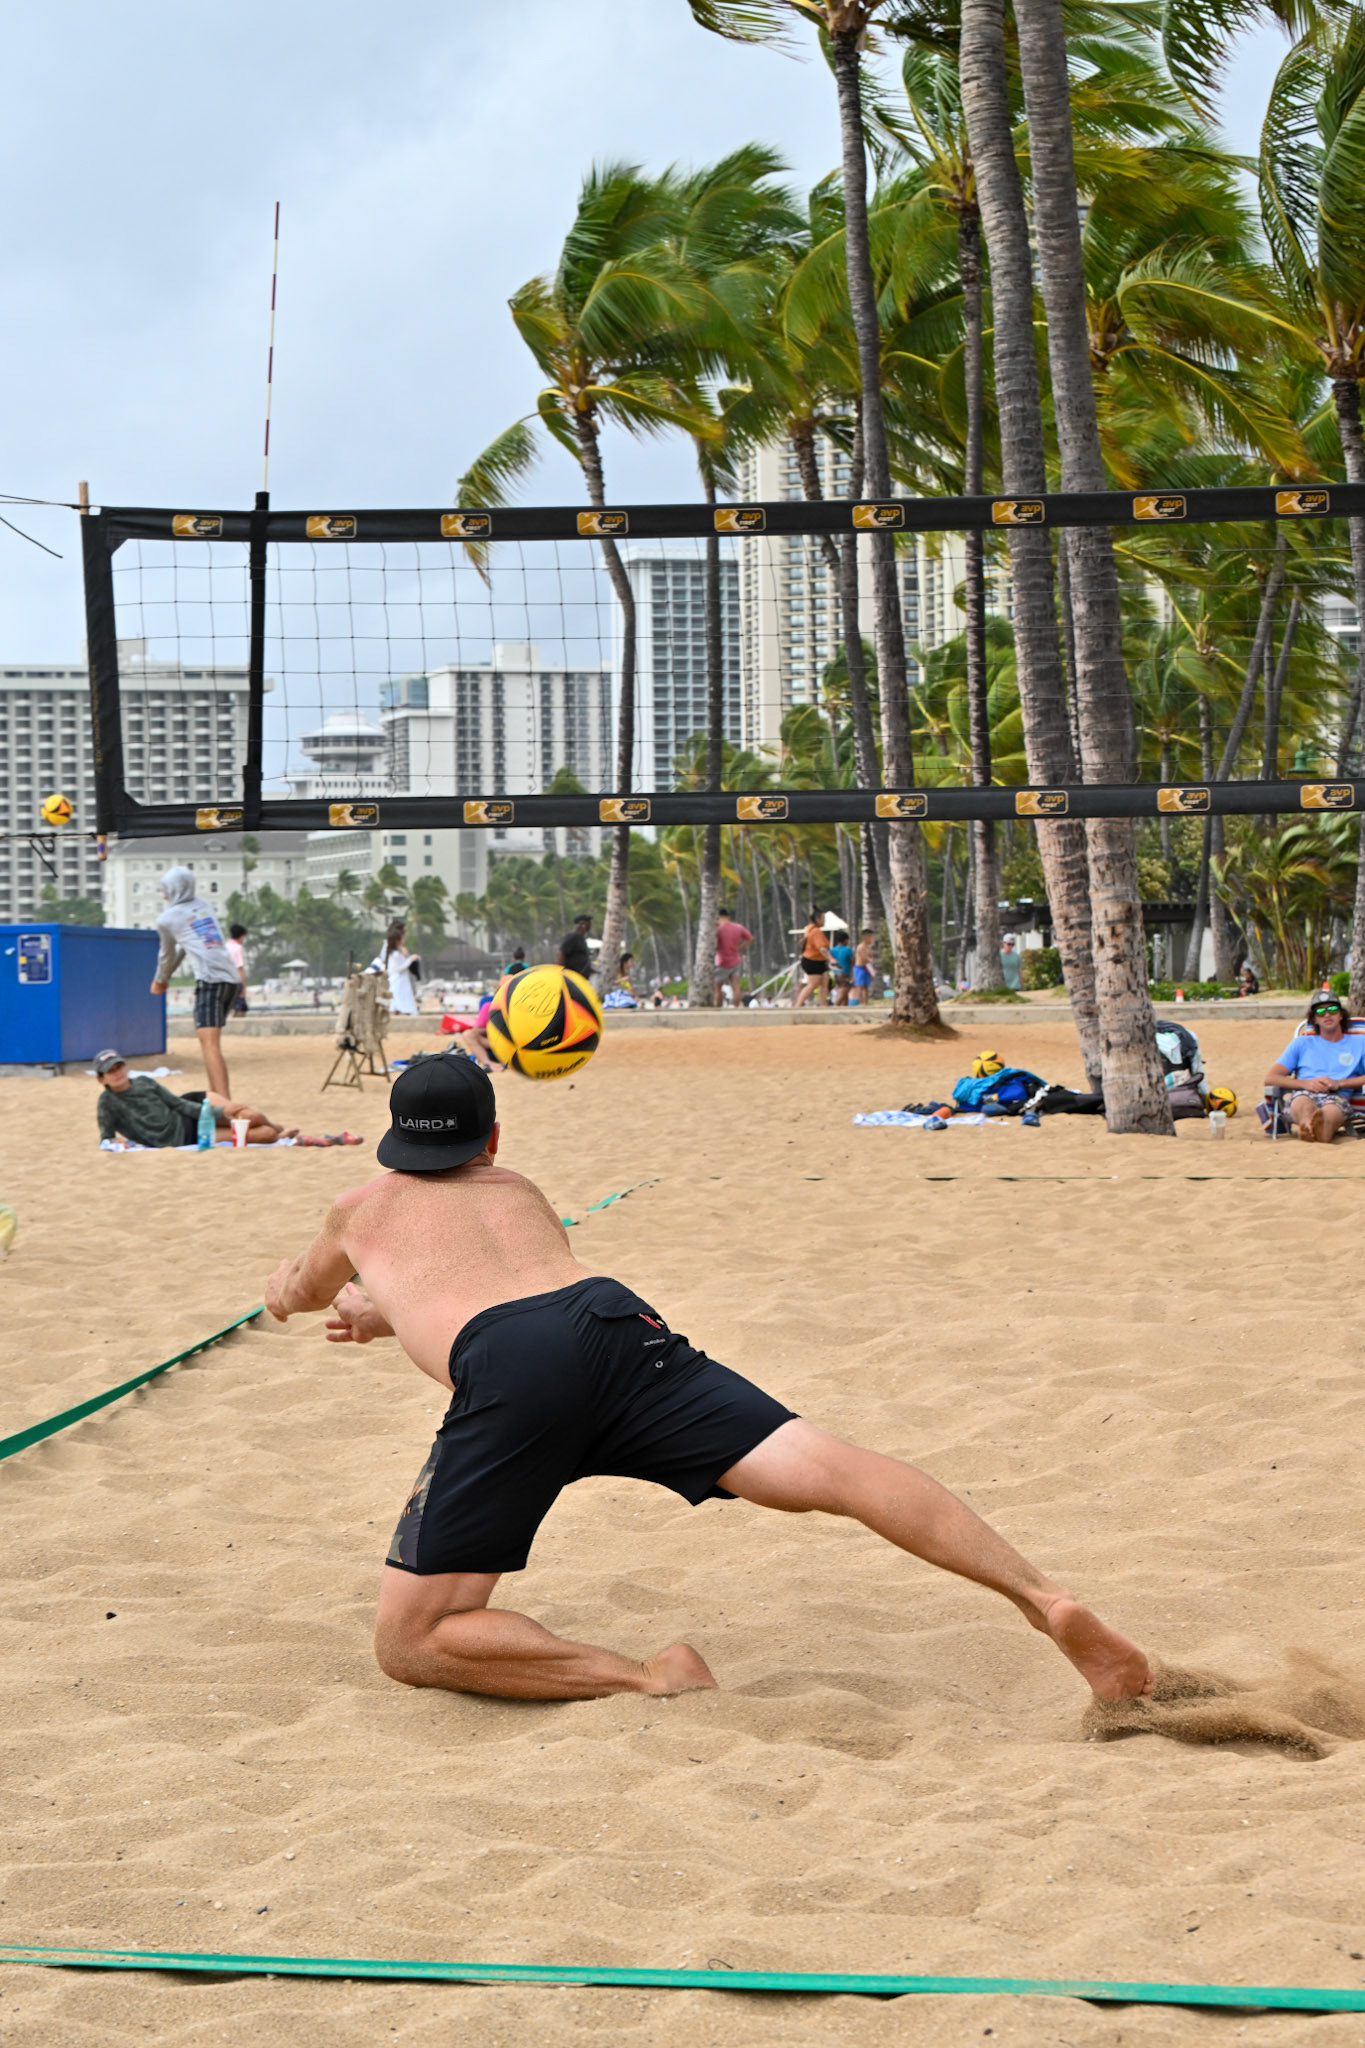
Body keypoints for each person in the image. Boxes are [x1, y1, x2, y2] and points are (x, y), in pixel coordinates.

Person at [263, 1055, 1151, 1707]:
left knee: (413, 1642)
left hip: (512, 1370)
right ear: (492, 1139)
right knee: (830, 1468)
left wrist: (291, 1298)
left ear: (389, 1145)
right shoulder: (517, 1188)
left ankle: (648, 1677)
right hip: (610, 1323)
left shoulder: (361, 1205)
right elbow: (482, 1277)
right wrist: (390, 1306)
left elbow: (308, 1290)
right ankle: (1043, 1598)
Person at [92, 1048, 361, 1148]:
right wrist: (118, 1141)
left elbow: (177, 1103)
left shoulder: (144, 1081)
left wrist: (218, 1113)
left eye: (119, 1066)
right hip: (184, 1136)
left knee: (248, 1115)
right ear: (102, 1079)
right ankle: (282, 1135)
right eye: (109, 1071)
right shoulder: (107, 1103)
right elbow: (106, 1137)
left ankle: (282, 1131)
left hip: (191, 1107)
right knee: (264, 1134)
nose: (117, 1073)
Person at [151, 866, 241, 1098]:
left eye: (165, 890)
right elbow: (184, 946)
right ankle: (217, 1098)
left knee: (210, 1047)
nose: (163, 895)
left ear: (173, 890)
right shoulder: (202, 906)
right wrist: (166, 977)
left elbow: (167, 955)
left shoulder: (166, 919)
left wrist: (160, 980)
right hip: (230, 980)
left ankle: (225, 1106)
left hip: (211, 981)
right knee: (209, 1045)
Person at [1263, 993, 1365, 1143]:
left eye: (1332, 1009)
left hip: (1338, 1095)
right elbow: (1271, 1078)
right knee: (1302, 1103)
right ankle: (1310, 1127)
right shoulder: (1301, 1043)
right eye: (1320, 1012)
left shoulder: (1360, 1042)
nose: (1327, 1014)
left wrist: (1339, 1083)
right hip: (1304, 1092)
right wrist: (1307, 1084)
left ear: (1341, 1015)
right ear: (1314, 1019)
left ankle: (1315, 1131)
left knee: (1330, 1112)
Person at [373, 920, 420, 1016]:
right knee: (398, 1002)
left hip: (398, 978)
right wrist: (410, 959)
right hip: (395, 978)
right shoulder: (392, 950)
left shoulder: (397, 950)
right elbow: (396, 966)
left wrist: (406, 955)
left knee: (397, 1003)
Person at [792, 907, 831, 1009]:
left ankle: (823, 1005)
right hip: (812, 961)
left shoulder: (809, 928)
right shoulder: (816, 931)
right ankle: (798, 1005)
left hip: (818, 961)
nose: (824, 921)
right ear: (818, 919)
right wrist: (832, 959)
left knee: (824, 981)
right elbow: (822, 948)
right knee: (812, 984)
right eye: (823, 918)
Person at [714, 909, 753, 1008]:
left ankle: (718, 1009)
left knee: (717, 988)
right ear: (728, 917)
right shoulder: (738, 927)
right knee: (736, 987)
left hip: (721, 962)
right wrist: (740, 947)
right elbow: (750, 938)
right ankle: (736, 1008)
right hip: (735, 960)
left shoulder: (718, 929)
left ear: (718, 917)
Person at [558, 915, 593, 981]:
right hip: (573, 977)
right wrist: (561, 972)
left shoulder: (581, 938)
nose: (590, 925)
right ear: (583, 924)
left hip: (581, 978)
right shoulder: (572, 936)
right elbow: (562, 952)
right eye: (588, 923)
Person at [226, 924, 250, 1016]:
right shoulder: (238, 948)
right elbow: (239, 968)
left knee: (228, 1009)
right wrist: (243, 987)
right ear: (241, 936)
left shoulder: (225, 946)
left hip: (225, 981)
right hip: (235, 982)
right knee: (240, 1010)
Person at [828, 927, 854, 1006]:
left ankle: (845, 1008)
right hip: (845, 973)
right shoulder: (848, 949)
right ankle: (836, 1006)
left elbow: (829, 961)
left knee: (844, 993)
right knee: (844, 990)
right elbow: (852, 961)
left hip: (836, 974)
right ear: (846, 940)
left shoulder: (832, 950)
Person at [851, 928, 876, 1006]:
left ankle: (866, 1002)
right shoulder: (860, 947)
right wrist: (870, 960)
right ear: (867, 937)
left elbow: (871, 957)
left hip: (867, 968)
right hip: (860, 968)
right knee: (860, 986)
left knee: (866, 987)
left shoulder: (868, 947)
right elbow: (864, 957)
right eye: (871, 937)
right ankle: (861, 1002)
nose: (872, 939)